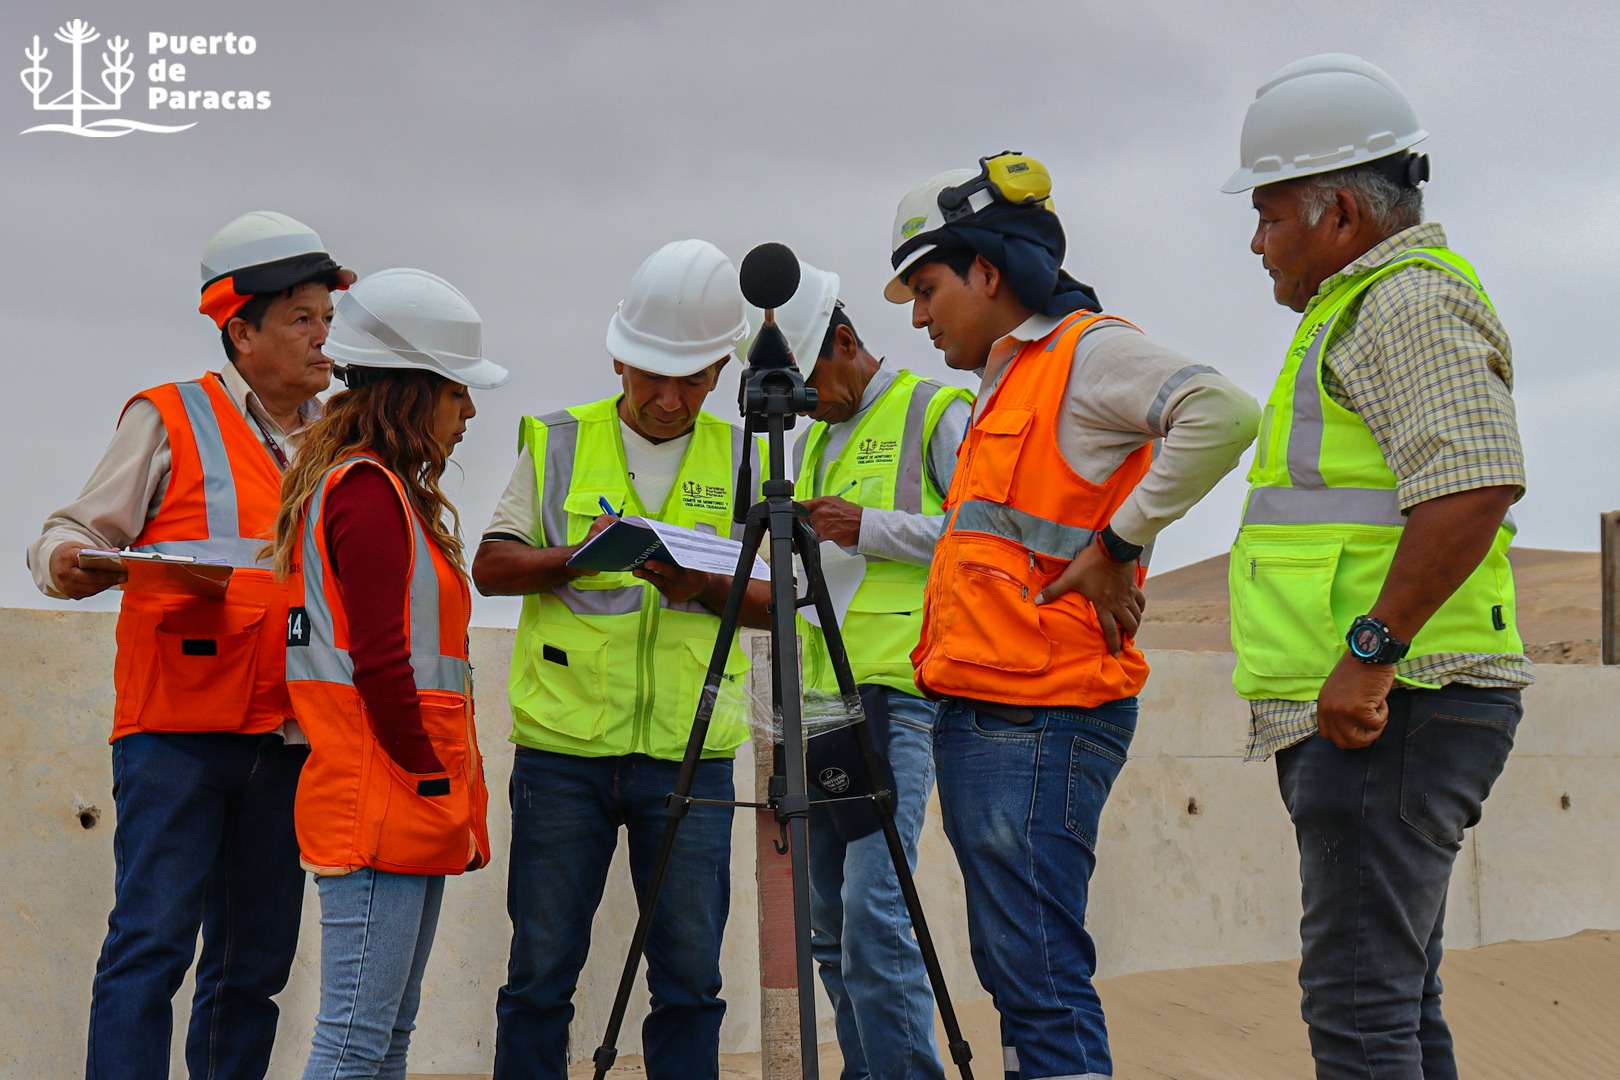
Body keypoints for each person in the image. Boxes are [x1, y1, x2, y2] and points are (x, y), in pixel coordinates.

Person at [885, 152, 1260, 1080]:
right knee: (1023, 976)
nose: (921, 316)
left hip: (1043, 720)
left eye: (928, 288)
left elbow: (1222, 411)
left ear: (987, 269)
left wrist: (1121, 543)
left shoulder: (1085, 353)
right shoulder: (1008, 379)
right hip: (993, 714)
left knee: (1040, 980)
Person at [1223, 54, 1531, 1080]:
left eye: (1270, 214)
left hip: (1396, 705)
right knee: (1395, 1005)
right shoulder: (1356, 312)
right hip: (1389, 704)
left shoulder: (1402, 303)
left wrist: (1367, 656)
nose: (1256, 240)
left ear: (1342, 214)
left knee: (1360, 1013)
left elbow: (1474, 488)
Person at [26, 211, 353, 1080]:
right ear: (240, 330)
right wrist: (73, 562)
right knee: (151, 949)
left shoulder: (340, 445)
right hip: (175, 734)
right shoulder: (170, 417)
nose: (325, 338)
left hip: (287, 740)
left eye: (327, 318)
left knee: (253, 968)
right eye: (303, 320)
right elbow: (68, 532)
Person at [474, 239, 768, 1080]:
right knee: (538, 977)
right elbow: (491, 567)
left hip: (690, 755)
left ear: (719, 370)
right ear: (618, 355)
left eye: (693, 380)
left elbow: (778, 604)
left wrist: (698, 586)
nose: (671, 399)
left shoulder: (747, 457)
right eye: (652, 377)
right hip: (564, 755)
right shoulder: (559, 441)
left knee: (689, 981)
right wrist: (577, 558)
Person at [266, 267, 508, 1078]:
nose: (469, 411)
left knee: (385, 1037)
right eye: (456, 392)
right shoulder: (367, 496)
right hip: (383, 797)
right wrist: (428, 775)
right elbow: (380, 662)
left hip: (399, 796)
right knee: (352, 1041)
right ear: (412, 392)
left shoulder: (383, 494)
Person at [740, 258, 971, 1080]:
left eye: (808, 382)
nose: (804, 403)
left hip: (900, 696)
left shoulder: (936, 410)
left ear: (843, 342)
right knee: (833, 926)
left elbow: (990, 534)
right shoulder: (818, 442)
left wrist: (868, 524)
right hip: (823, 703)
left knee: (876, 912)